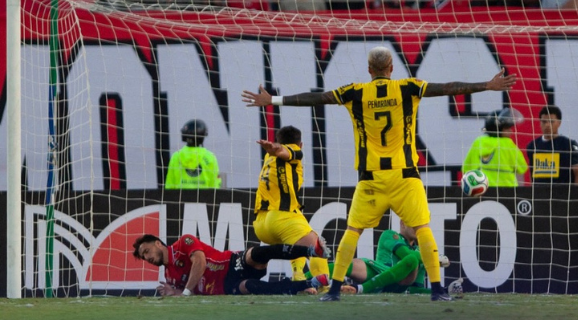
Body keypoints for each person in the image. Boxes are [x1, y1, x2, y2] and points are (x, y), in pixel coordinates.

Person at [241, 46, 518, 301]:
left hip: (371, 178)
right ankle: (436, 290)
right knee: (422, 229)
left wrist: (274, 99)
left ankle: (334, 290)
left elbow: (317, 98)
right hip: (404, 176)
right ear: (391, 69)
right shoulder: (408, 87)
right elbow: (447, 88)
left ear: (370, 70)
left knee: (352, 232)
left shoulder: (355, 92)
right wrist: (487, 85)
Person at [132, 233, 330, 296]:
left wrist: (184, 292)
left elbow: (199, 262)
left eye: (146, 251)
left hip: (230, 263)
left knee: (257, 253)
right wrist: (175, 293)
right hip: (225, 287)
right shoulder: (169, 277)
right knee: (251, 287)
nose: (147, 258)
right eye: (143, 257)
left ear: (158, 243)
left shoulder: (184, 243)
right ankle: (310, 283)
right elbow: (185, 295)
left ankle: (311, 251)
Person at [253, 125, 332, 283]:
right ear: (300, 144)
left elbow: (282, 152)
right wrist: (281, 149)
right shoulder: (294, 150)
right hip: (281, 218)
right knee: (318, 248)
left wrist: (275, 149)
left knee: (300, 233)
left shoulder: (269, 158)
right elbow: (288, 152)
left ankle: (298, 275)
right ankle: (326, 289)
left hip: (261, 225)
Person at [305, 221, 462, 295]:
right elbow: (405, 254)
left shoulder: (419, 253)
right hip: (377, 272)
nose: (417, 226)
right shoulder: (390, 235)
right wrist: (430, 256)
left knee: (413, 261)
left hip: (397, 286)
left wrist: (444, 290)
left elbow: (415, 288)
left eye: (419, 223)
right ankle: (302, 281)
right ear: (402, 224)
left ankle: (360, 289)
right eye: (413, 223)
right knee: (353, 263)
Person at [462, 108, 528, 187]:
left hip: (481, 190)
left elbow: (466, 168)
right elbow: (522, 168)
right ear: (497, 129)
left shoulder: (478, 142)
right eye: (507, 128)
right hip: (507, 191)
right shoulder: (507, 144)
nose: (511, 131)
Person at [526, 105, 578, 184]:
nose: (547, 125)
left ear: (559, 123)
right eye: (544, 122)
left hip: (563, 194)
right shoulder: (532, 146)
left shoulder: (569, 145)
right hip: (540, 194)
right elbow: (532, 174)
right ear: (540, 123)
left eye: (551, 121)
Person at [165, 119, 221, 189]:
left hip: (180, 199)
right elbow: (215, 186)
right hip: (205, 199)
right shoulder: (210, 157)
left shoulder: (176, 156)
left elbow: (169, 185)